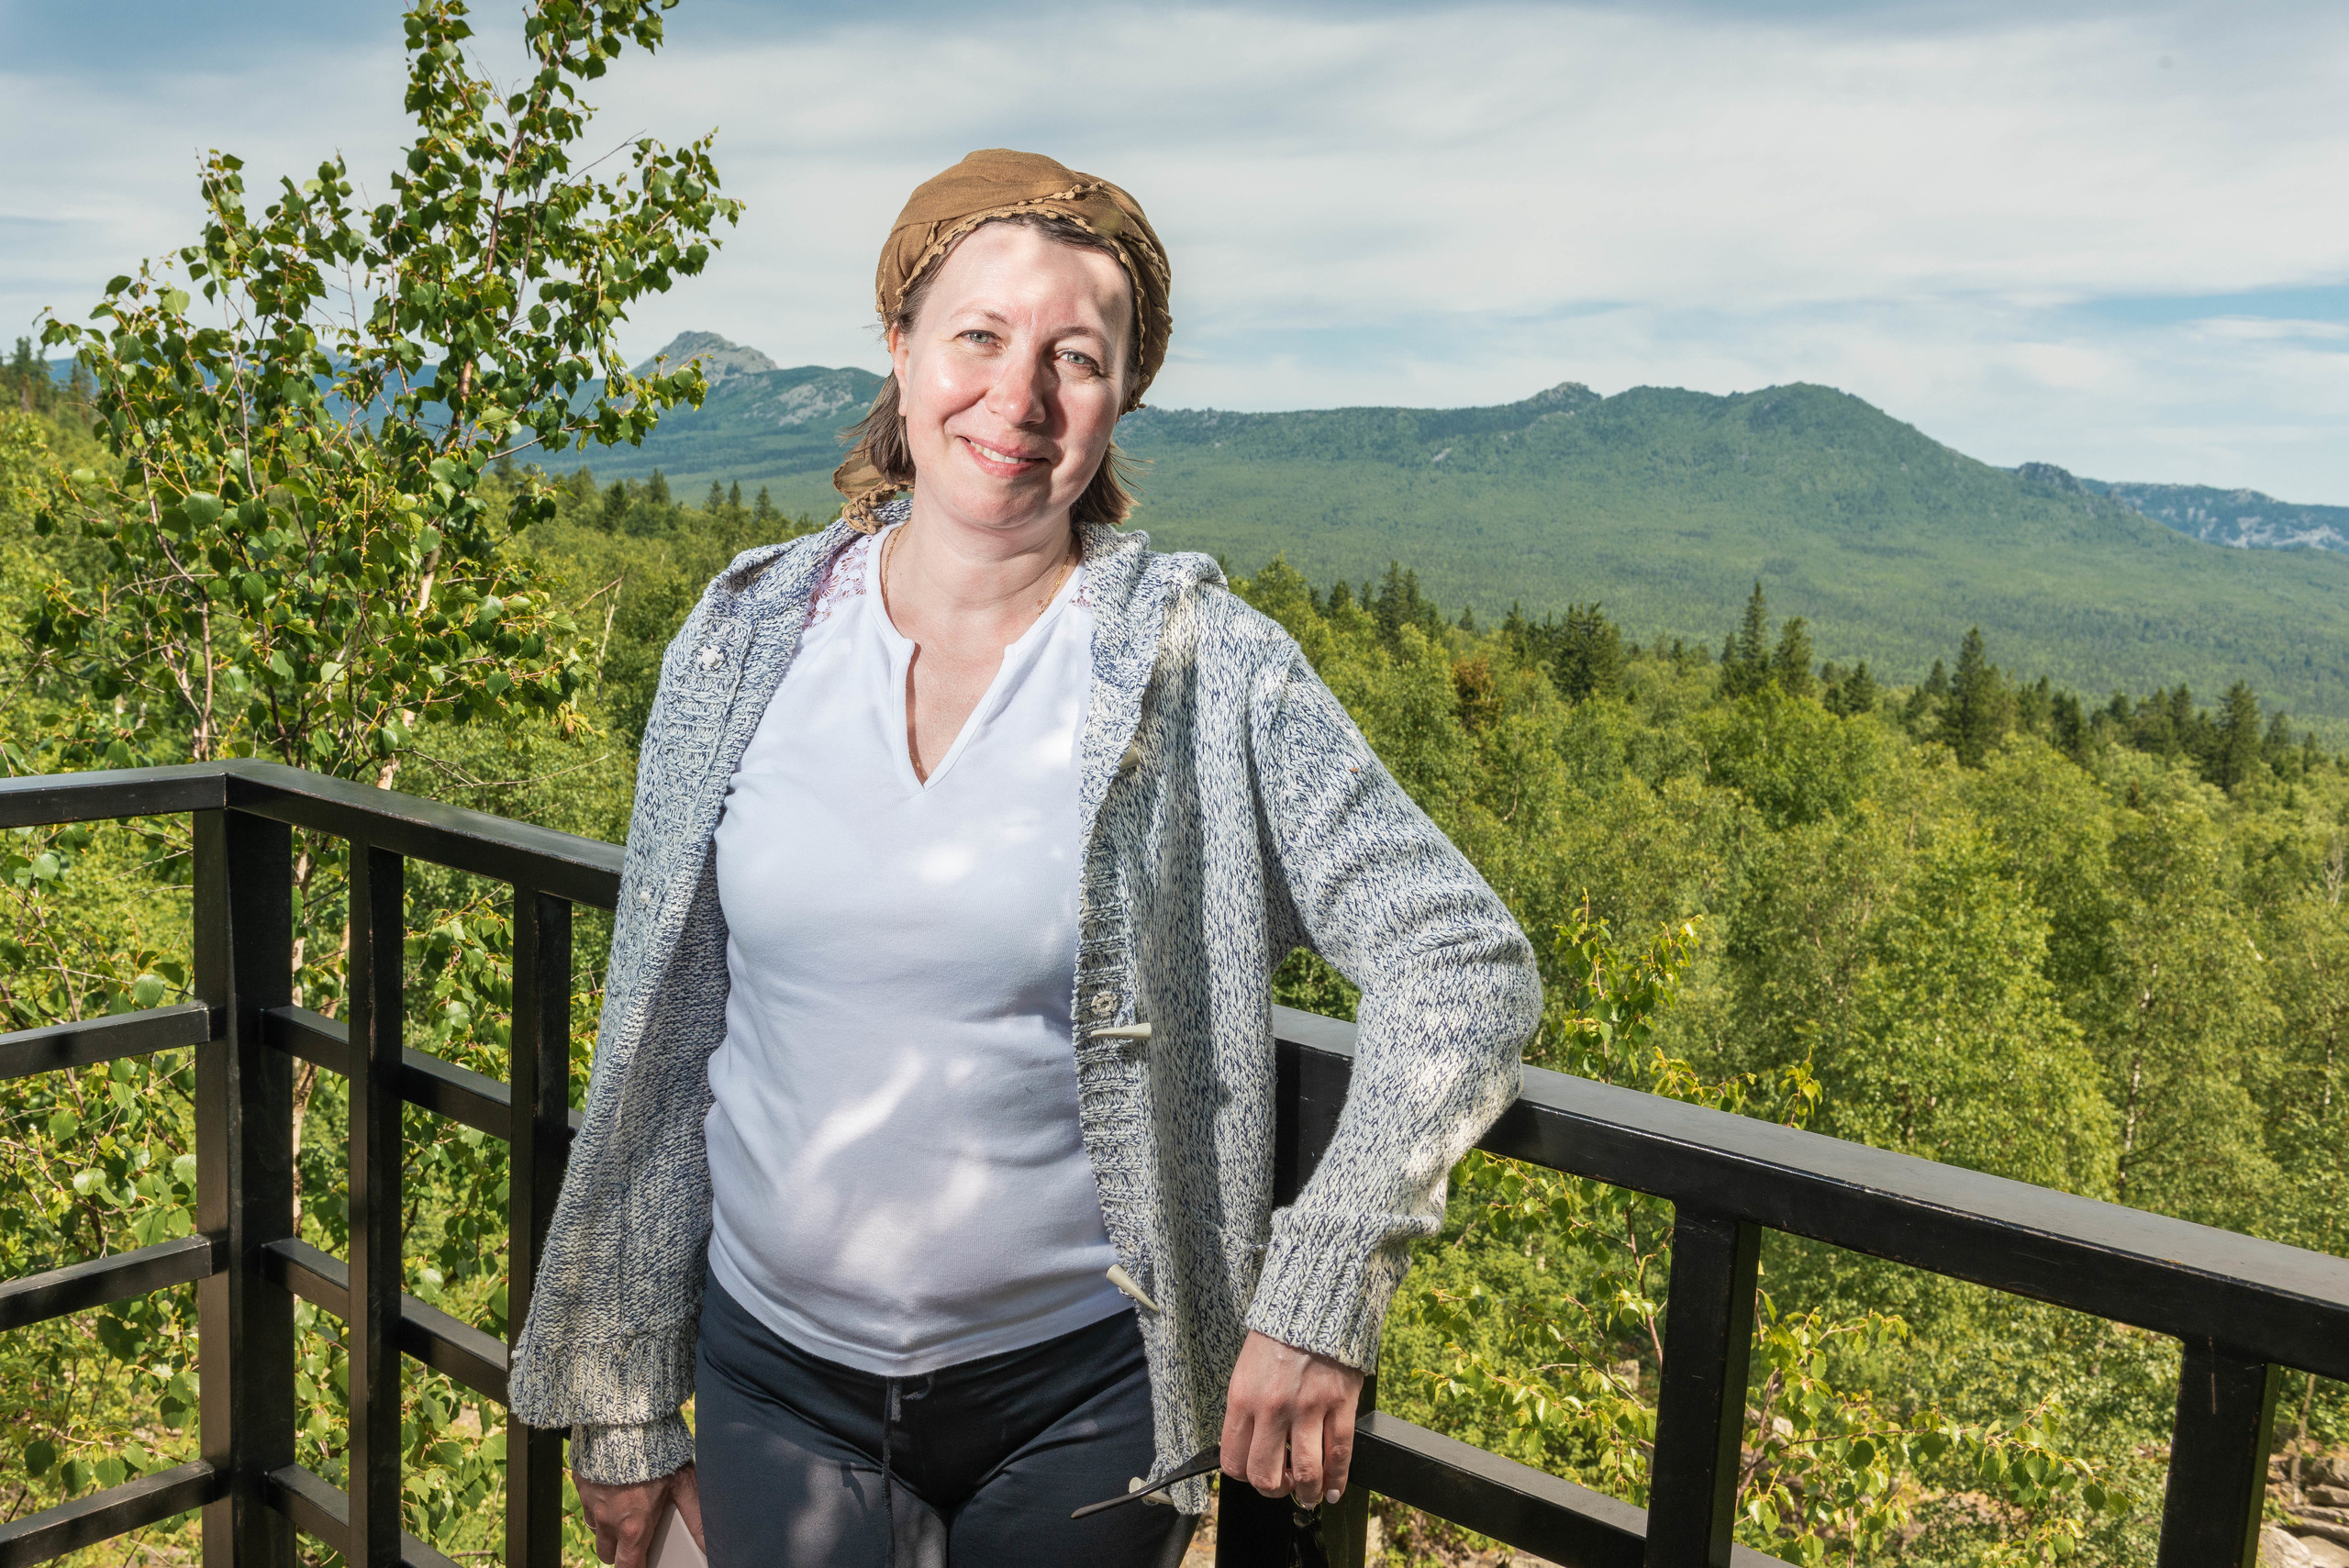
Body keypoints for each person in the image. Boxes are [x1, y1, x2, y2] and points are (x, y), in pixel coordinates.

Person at [508, 149, 1541, 1567]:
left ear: (1121, 400)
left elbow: (1462, 959)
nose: (1020, 396)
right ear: (899, 349)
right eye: (979, 337)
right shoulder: (745, 639)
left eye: (1077, 357)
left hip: (1082, 1400)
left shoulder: (1203, 669)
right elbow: (664, 1032)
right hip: (771, 1379)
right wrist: (624, 1394)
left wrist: (1320, 1278)